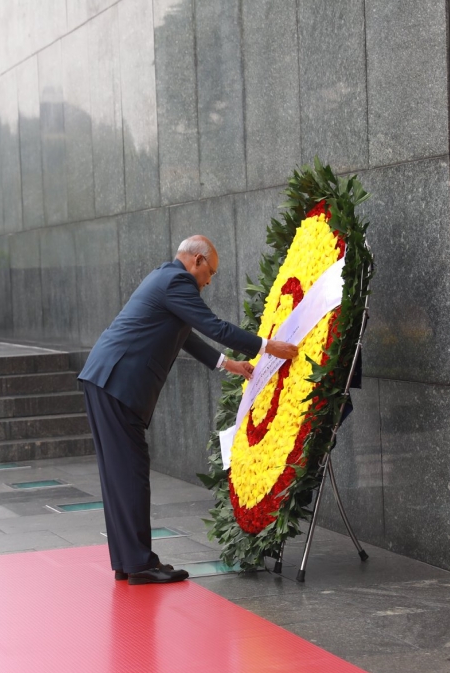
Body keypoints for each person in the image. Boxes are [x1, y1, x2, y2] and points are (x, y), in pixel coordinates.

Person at [78, 236, 298, 585]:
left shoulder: (164, 278)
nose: (209, 281)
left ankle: (128, 561)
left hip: (106, 380)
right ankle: (138, 563)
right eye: (210, 272)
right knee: (131, 472)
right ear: (196, 261)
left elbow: (186, 335)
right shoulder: (178, 281)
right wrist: (267, 346)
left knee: (120, 475)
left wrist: (229, 364)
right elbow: (213, 326)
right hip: (116, 382)